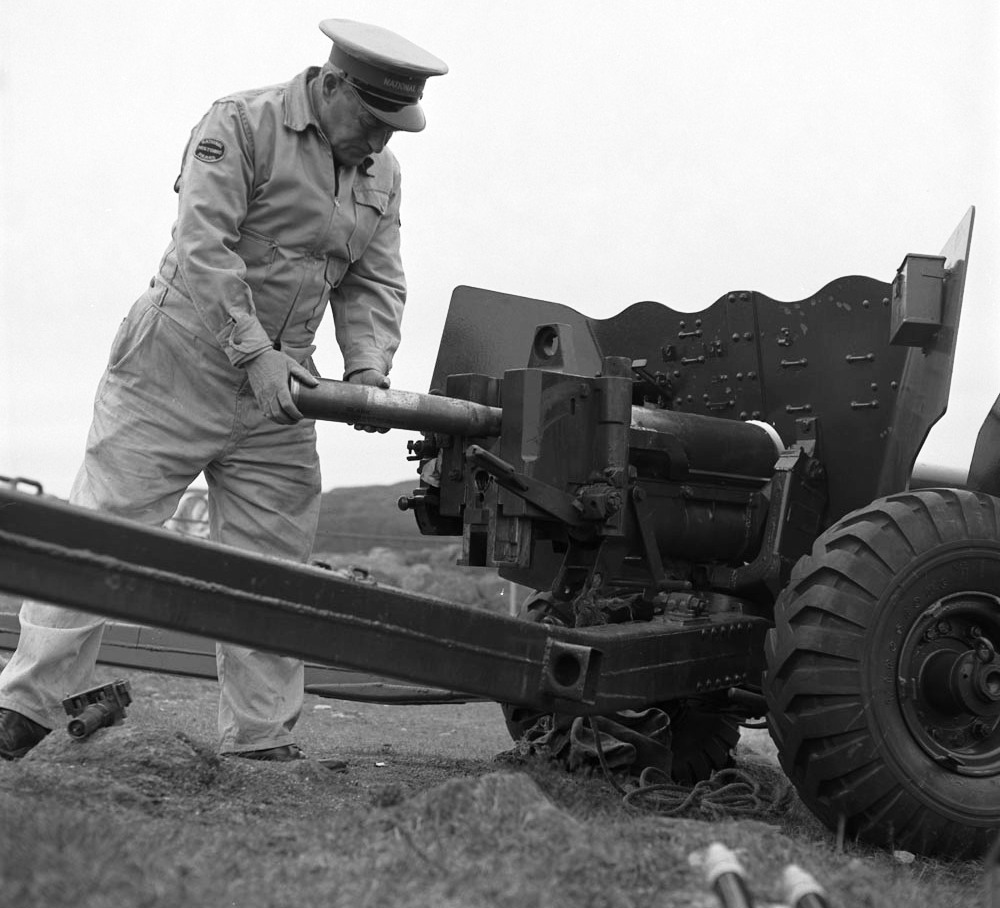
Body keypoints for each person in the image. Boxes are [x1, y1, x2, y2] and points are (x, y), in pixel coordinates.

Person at [0, 19, 448, 762]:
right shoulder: (239, 124)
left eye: (393, 129)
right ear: (330, 85)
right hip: (173, 365)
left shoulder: (383, 174)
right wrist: (254, 352)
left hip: (283, 390)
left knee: (272, 566)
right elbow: (204, 246)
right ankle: (24, 708)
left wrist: (368, 368)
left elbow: (375, 278)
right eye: (371, 120)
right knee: (104, 535)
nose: (378, 141)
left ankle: (259, 739)